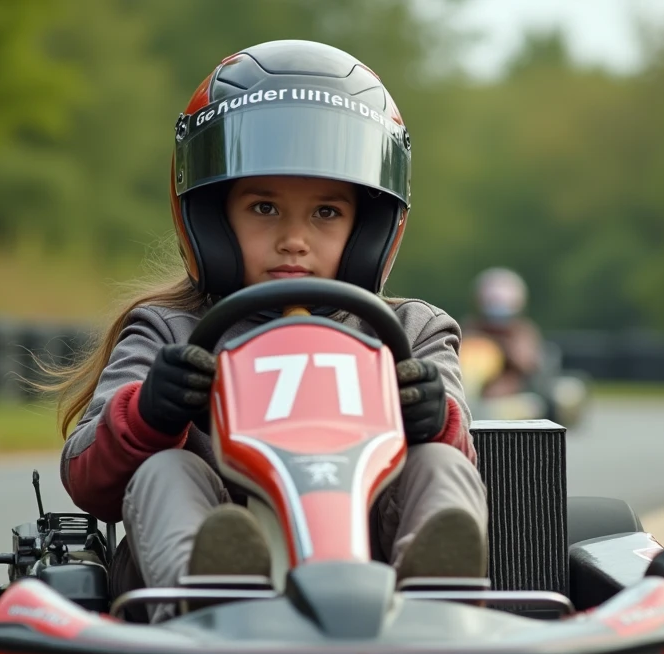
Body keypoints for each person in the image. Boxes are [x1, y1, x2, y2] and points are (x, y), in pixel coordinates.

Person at [47, 40, 488, 623]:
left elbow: (461, 454)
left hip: (377, 574)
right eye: (263, 208)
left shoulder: (410, 333)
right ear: (210, 217)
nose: (294, 239)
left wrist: (437, 420)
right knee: (165, 470)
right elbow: (87, 477)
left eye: (326, 213)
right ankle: (211, 602)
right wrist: (151, 413)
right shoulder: (169, 331)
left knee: (443, 465)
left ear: (371, 229)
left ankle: (440, 608)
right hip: (198, 571)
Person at [465, 267, 543, 398]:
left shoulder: (522, 331)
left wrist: (502, 347)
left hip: (516, 398)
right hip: (475, 395)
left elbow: (527, 365)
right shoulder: (471, 329)